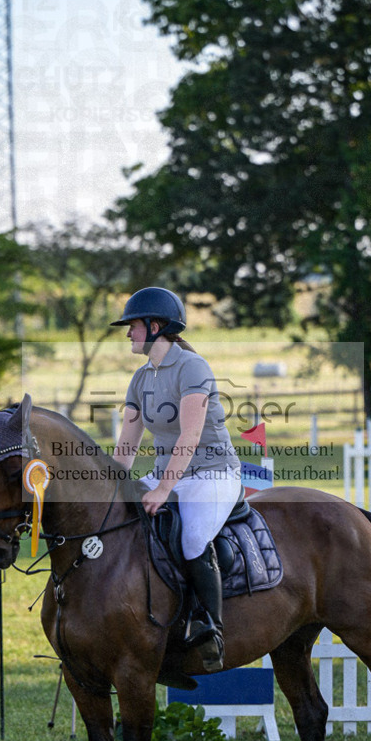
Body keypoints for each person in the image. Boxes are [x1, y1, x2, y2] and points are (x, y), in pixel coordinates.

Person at [111, 287, 242, 672]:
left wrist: (163, 489)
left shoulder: (192, 367)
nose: (128, 333)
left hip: (212, 472)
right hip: (167, 473)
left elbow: (190, 434)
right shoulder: (140, 379)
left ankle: (212, 631)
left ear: (156, 326)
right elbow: (127, 444)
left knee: (193, 537)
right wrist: (112, 488)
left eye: (133, 325)